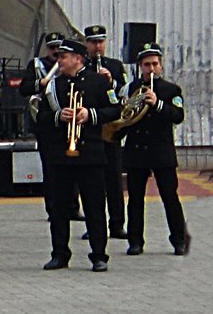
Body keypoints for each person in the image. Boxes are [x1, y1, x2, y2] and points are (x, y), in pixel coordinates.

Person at [36, 38, 119, 271]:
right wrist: (58, 116)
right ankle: (59, 253)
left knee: (94, 206)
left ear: (78, 59)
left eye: (64, 57)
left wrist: (89, 114)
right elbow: (40, 116)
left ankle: (99, 254)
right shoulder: (54, 85)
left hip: (90, 154)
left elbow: (115, 109)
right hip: (61, 155)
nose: (59, 61)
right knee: (60, 207)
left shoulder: (98, 83)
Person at [122, 42, 190, 256]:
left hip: (161, 152)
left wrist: (157, 103)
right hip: (136, 150)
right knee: (134, 199)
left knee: (170, 196)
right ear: (140, 67)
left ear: (160, 66)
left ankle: (179, 240)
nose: (151, 69)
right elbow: (122, 116)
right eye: (146, 65)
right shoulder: (131, 88)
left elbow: (178, 115)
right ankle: (135, 241)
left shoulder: (171, 90)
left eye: (155, 64)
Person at [84, 24, 130, 239]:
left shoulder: (114, 65)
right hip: (90, 130)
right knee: (91, 181)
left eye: (100, 42)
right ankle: (93, 224)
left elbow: (124, 93)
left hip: (110, 130)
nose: (97, 46)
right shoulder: (81, 65)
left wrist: (110, 81)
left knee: (113, 178)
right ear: (87, 44)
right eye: (93, 42)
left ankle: (117, 223)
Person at [20, 32, 66, 218]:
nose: (55, 51)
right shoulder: (36, 65)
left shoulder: (68, 65)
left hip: (66, 120)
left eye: (59, 48)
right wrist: (41, 83)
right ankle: (52, 207)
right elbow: (24, 88)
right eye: (52, 48)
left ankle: (71, 206)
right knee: (49, 166)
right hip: (45, 122)